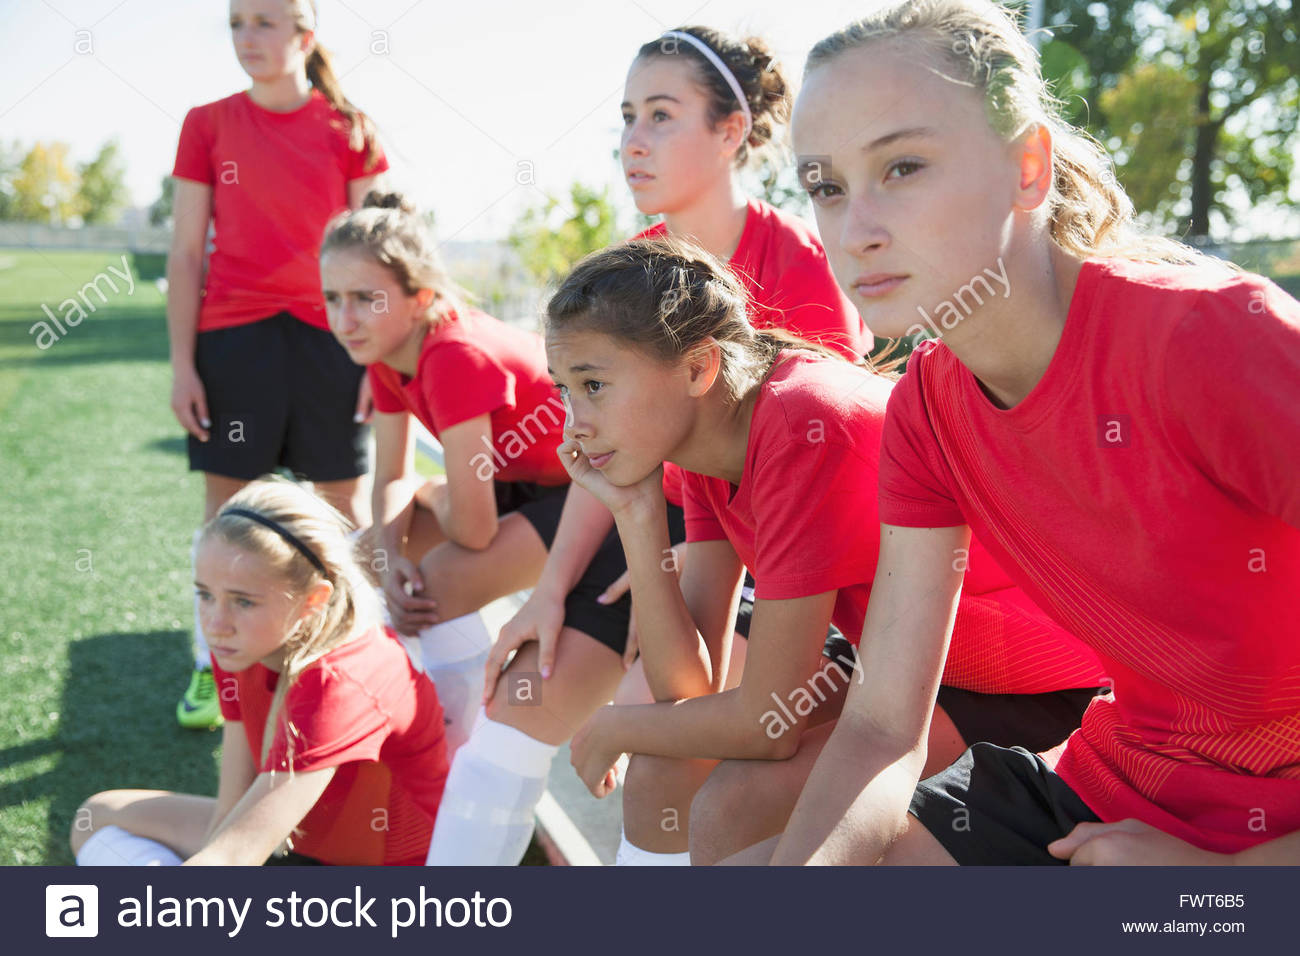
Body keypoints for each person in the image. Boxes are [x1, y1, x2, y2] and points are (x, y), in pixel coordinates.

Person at [768, 0, 1300, 866]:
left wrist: (1231, 883)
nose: (855, 230)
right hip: (1108, 788)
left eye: (902, 166)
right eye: (826, 186)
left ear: (1028, 168)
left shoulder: (1212, 339)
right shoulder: (926, 412)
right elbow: (877, 726)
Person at [439, 24, 874, 867]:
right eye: (628, 118)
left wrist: (647, 668)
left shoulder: (799, 276)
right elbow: (603, 455)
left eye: (661, 116)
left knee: (665, 764)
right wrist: (549, 591)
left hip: (774, 545)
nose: (633, 142)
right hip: (668, 506)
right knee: (510, 722)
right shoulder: (630, 270)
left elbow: (814, 472)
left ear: (731, 133)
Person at [549, 237, 1109, 866]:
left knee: (731, 802)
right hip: (903, 660)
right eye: (565, 390)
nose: (575, 422)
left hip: (1029, 681)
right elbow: (689, 683)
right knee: (664, 771)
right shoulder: (706, 445)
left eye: (594, 385)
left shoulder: (799, 423)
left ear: (698, 368)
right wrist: (637, 512)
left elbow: (766, 724)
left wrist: (611, 725)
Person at [168, 0, 387, 730]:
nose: (247, 38)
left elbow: (375, 256)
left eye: (264, 21)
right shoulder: (207, 123)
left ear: (305, 33)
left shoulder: (350, 129)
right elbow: (186, 250)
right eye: (236, 23)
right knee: (229, 514)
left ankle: (362, 664)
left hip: (333, 339)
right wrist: (182, 365)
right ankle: (212, 674)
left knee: (345, 509)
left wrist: (372, 361)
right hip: (233, 340)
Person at [320, 191, 580, 759]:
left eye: (366, 299)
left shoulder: (452, 356)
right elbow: (390, 476)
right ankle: (374, 722)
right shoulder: (388, 354)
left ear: (421, 298)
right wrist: (389, 559)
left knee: (432, 591)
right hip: (519, 479)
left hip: (593, 491)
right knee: (362, 562)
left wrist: (432, 493)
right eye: (333, 298)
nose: (345, 320)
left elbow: (474, 530)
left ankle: (450, 752)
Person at [71, 479, 448, 866]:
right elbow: (228, 814)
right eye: (205, 594)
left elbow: (234, 857)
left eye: (243, 601)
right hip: (296, 847)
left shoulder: (341, 683)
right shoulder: (239, 644)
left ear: (313, 599)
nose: (215, 623)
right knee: (95, 818)